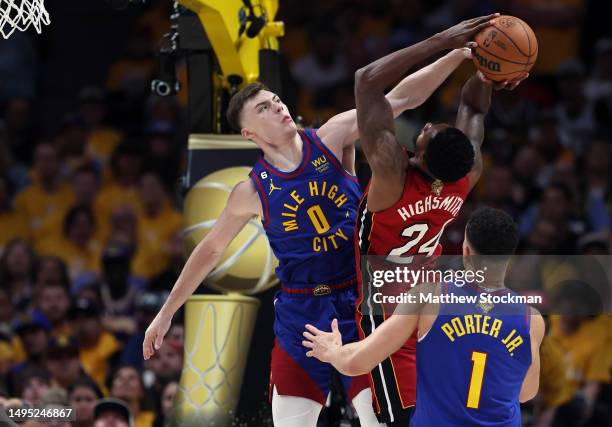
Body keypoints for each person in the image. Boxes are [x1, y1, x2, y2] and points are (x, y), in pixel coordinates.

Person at [143, 26, 481, 426]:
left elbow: (400, 98)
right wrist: (166, 312)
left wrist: (457, 55)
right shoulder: (250, 190)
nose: (279, 108)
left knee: (379, 419)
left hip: (360, 299)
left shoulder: (332, 136)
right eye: (264, 109)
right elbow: (210, 250)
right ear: (249, 132)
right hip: (301, 309)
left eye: (276, 100)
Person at [352, 13, 526, 425]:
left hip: (380, 301)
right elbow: (471, 105)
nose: (428, 123)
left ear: (418, 155)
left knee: (399, 414)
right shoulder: (466, 174)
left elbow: (366, 80)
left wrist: (442, 41)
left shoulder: (392, 173)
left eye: (428, 130)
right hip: (430, 299)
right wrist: (487, 73)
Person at [303, 207, 545, 426]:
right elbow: (526, 392)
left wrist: (332, 351)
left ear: (466, 251)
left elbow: (356, 362)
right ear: (510, 258)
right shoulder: (531, 319)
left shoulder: (430, 297)